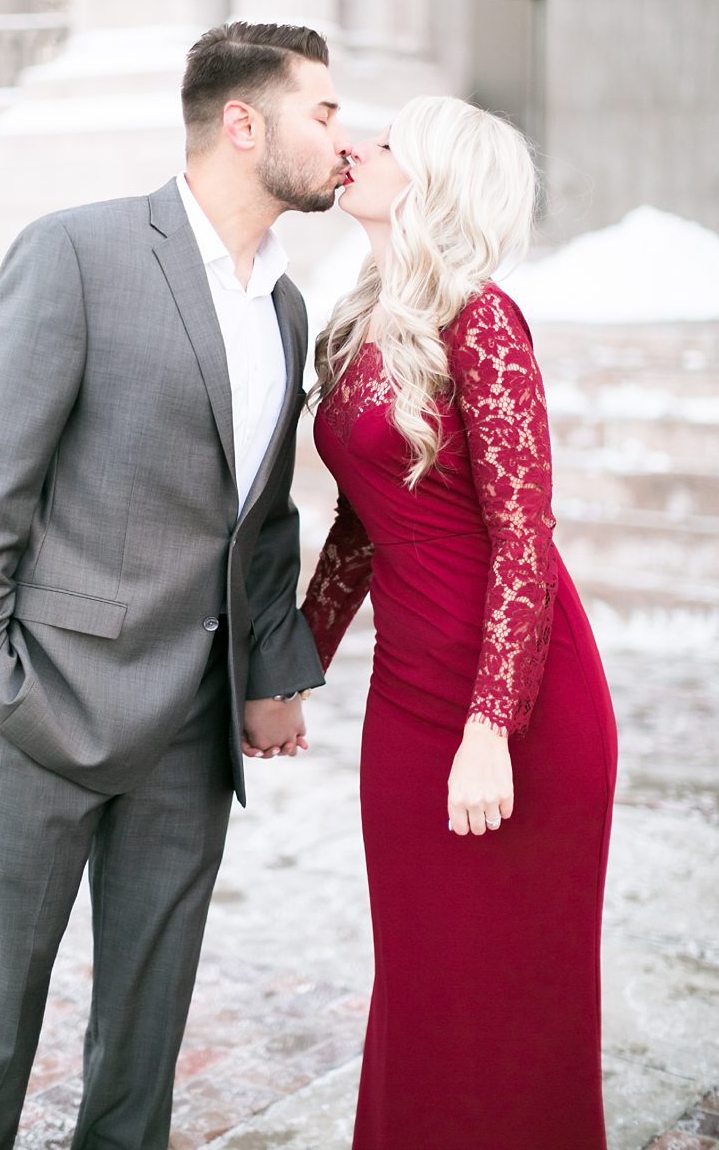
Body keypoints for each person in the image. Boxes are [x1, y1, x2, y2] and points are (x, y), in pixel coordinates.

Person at [0, 22, 350, 1150]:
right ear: (243, 124)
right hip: (44, 701)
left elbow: (260, 518)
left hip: (193, 724)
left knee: (144, 1033)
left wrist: (272, 674)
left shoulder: (286, 308)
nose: (342, 138)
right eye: (325, 112)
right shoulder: (79, 251)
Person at [300, 96, 617, 1150]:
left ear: (427, 182)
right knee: (425, 980)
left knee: (517, 1005)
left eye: (382, 144)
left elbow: (525, 531)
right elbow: (362, 523)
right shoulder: (358, 322)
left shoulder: (482, 319)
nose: (356, 149)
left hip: (521, 704)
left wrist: (490, 726)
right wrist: (296, 662)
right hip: (408, 697)